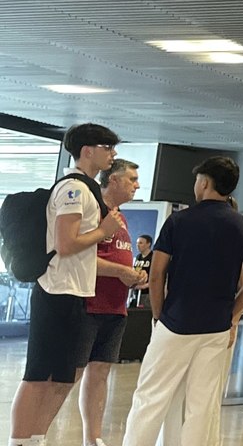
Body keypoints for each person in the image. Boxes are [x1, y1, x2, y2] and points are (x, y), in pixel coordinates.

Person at [121, 157, 243, 446]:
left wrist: (159, 315)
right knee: (202, 404)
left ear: (205, 183)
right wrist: (233, 314)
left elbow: (157, 273)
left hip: (175, 322)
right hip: (216, 326)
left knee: (151, 397)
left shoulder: (179, 221)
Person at [9, 123, 125, 446]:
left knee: (58, 377)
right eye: (107, 147)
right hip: (55, 292)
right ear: (88, 150)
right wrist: (103, 232)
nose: (112, 154)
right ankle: (19, 440)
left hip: (74, 292)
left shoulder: (85, 188)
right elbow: (64, 243)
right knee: (37, 377)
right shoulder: (73, 189)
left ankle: (34, 437)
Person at [75, 159, 145, 446]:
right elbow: (80, 257)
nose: (136, 185)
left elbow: (117, 257)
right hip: (89, 305)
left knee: (100, 372)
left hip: (116, 307)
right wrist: (122, 272)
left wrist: (133, 276)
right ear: (113, 180)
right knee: (71, 374)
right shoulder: (94, 211)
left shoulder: (121, 217)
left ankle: (93, 438)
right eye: (131, 179)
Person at [131, 235, 153, 309]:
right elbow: (136, 271)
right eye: (137, 243)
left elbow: (158, 276)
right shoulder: (138, 257)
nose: (137, 245)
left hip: (148, 293)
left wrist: (146, 285)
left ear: (148, 244)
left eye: (140, 243)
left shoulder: (153, 257)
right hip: (137, 292)